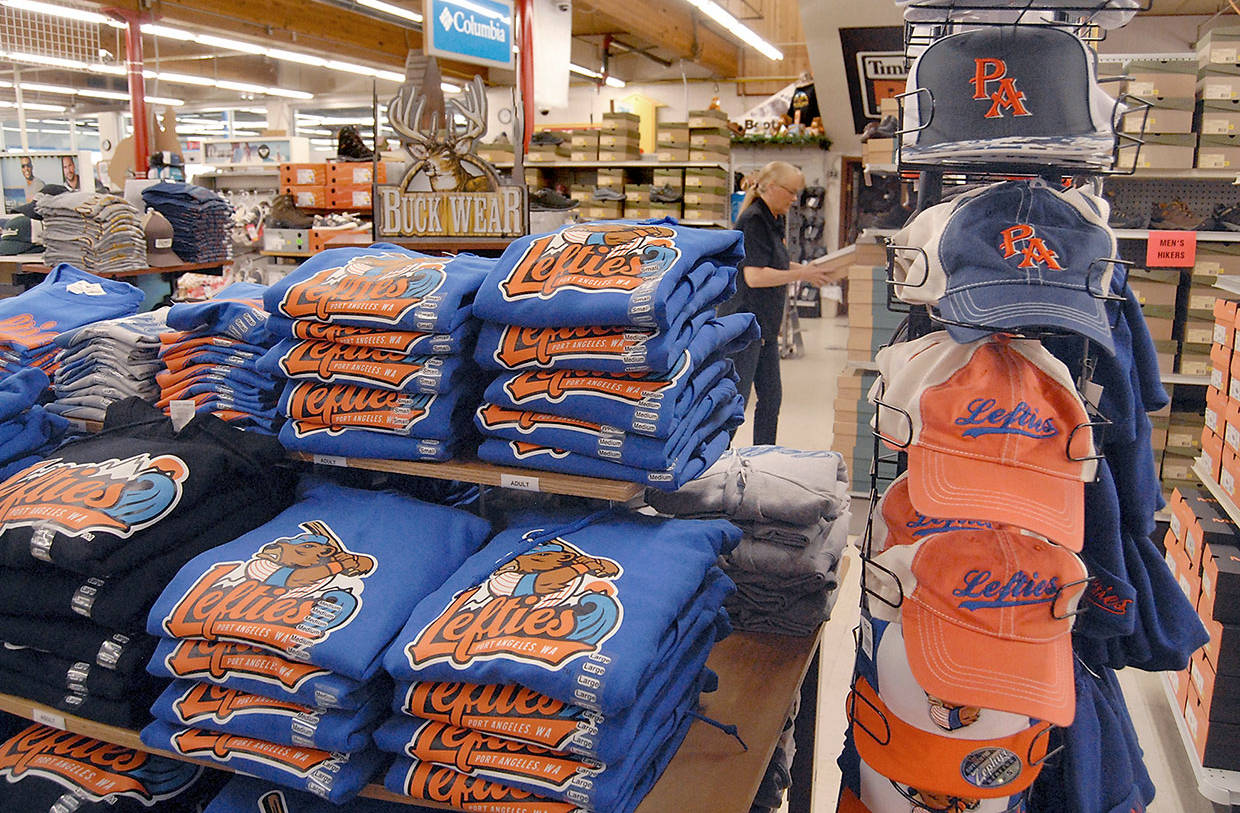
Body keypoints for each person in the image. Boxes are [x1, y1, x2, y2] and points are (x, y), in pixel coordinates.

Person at [719, 160, 844, 446]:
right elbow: (754, 276)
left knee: (771, 398)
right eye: (791, 192)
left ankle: (765, 456)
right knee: (737, 399)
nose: (794, 199)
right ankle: (715, 461)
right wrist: (801, 273)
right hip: (745, 326)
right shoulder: (753, 219)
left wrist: (808, 269)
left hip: (765, 327)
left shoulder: (772, 218)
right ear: (772, 187)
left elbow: (771, 261)